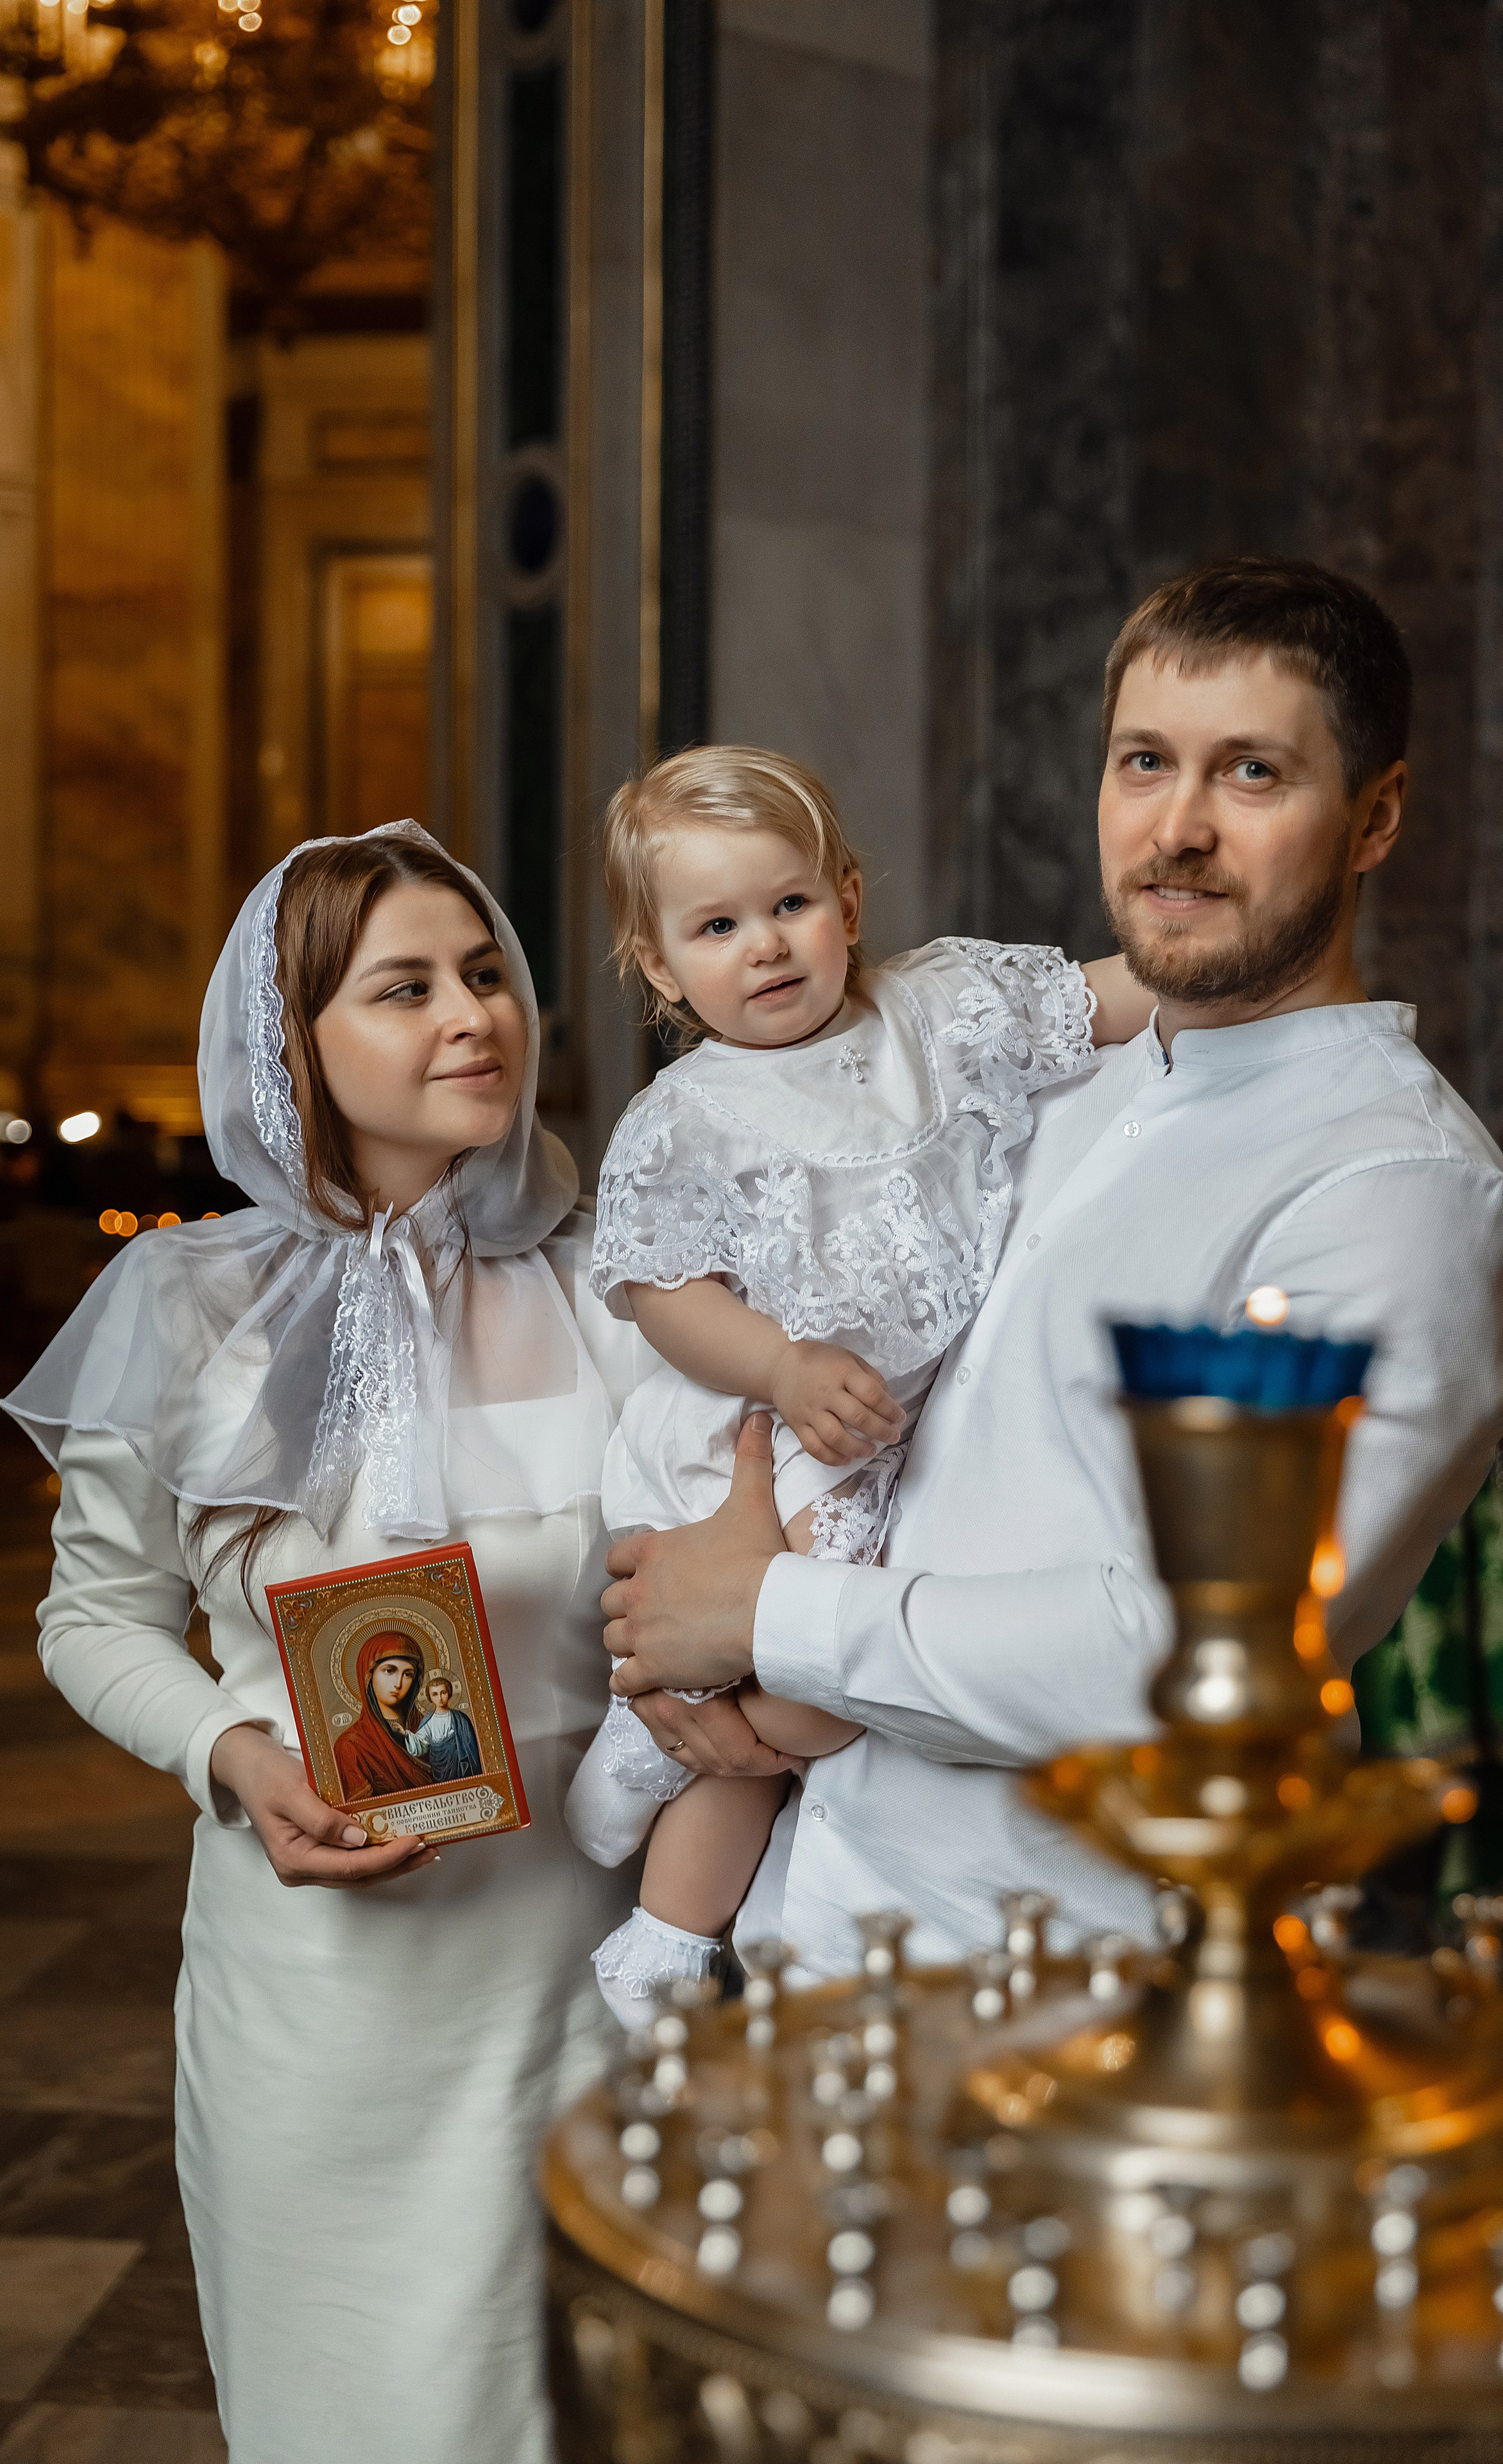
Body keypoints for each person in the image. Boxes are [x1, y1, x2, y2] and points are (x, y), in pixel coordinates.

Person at [599, 557, 1503, 1981]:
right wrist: (698, 1622)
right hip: (804, 1936)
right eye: (1143, 761)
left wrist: (760, 1613)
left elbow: (1194, 1652)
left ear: (1374, 816)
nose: (1176, 828)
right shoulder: (1032, 1090)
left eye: (1251, 772)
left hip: (1065, 1993)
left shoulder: (1390, 1186)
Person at [3, 822, 647, 2464]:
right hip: (313, 1988)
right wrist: (231, 1754)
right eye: (404, 987)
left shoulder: (616, 1287)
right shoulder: (182, 1302)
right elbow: (92, 1616)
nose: (473, 1015)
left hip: (579, 1961)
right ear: (293, 1043)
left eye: (484, 972)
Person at [566, 744, 1151, 2020]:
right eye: (717, 928)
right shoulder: (687, 1115)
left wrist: (1226, 976)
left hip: (896, 1430)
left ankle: (674, 1758)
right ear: (661, 968)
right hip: (766, 1428)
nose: (766, 946)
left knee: (801, 1704)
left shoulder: (936, 1014)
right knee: (806, 1709)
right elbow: (663, 1291)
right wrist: (778, 1363)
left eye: (789, 904)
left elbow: (1115, 994)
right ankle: (665, 1923)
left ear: (846, 898)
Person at [333, 1631, 433, 1799]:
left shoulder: (433, 1730)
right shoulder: (351, 1746)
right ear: (368, 1675)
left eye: (408, 1674)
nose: (398, 1684)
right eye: (389, 1671)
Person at [407, 1669, 484, 1782]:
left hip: (460, 1769)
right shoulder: (429, 1721)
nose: (440, 1698)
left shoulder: (461, 1719)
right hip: (438, 1768)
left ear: (449, 1693)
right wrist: (404, 1735)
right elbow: (420, 1744)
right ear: (430, 1697)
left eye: (443, 1693)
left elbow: (472, 1749)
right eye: (435, 1694)